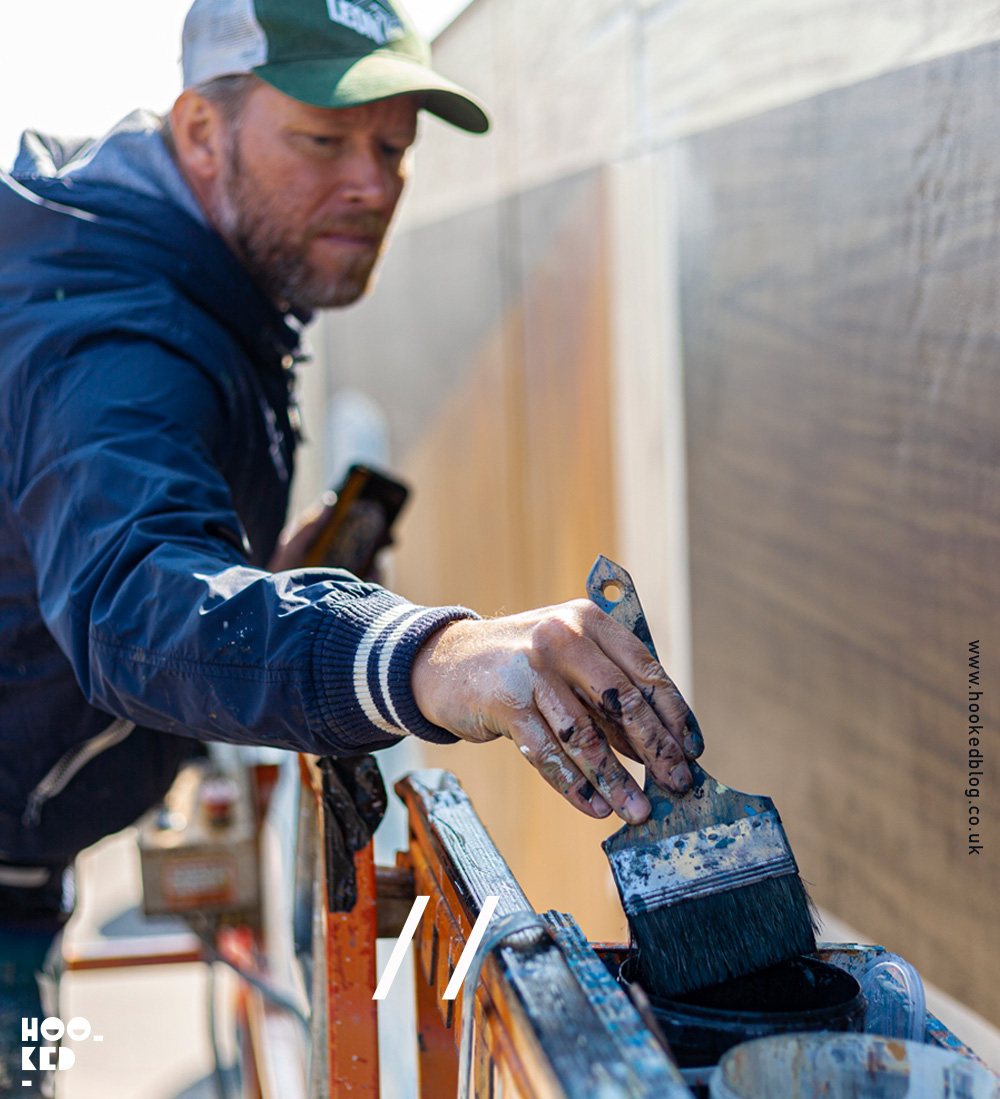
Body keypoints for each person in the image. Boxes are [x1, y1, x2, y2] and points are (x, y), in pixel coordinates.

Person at [0, 0, 701, 1089]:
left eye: (393, 145)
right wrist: (424, 655)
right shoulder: (112, 326)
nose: (373, 184)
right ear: (199, 132)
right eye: (323, 141)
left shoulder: (163, 272)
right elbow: (131, 599)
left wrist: (266, 589)